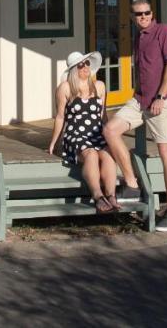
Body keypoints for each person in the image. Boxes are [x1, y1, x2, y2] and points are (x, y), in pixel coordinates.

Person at [103, 0, 167, 232]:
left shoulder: (164, 32)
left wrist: (160, 96)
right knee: (110, 130)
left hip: (162, 101)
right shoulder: (139, 37)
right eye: (138, 14)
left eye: (147, 12)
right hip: (140, 100)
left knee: (166, 152)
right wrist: (141, 94)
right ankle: (131, 181)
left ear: (152, 12)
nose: (144, 17)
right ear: (133, 17)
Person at [48, 50, 118, 213]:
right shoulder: (65, 88)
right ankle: (98, 196)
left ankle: (111, 195)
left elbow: (103, 114)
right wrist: (54, 143)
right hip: (75, 135)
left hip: (96, 134)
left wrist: (109, 135)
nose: (85, 67)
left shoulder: (99, 86)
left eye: (87, 63)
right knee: (91, 154)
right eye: (81, 64)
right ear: (74, 69)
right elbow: (60, 117)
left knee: (107, 155)